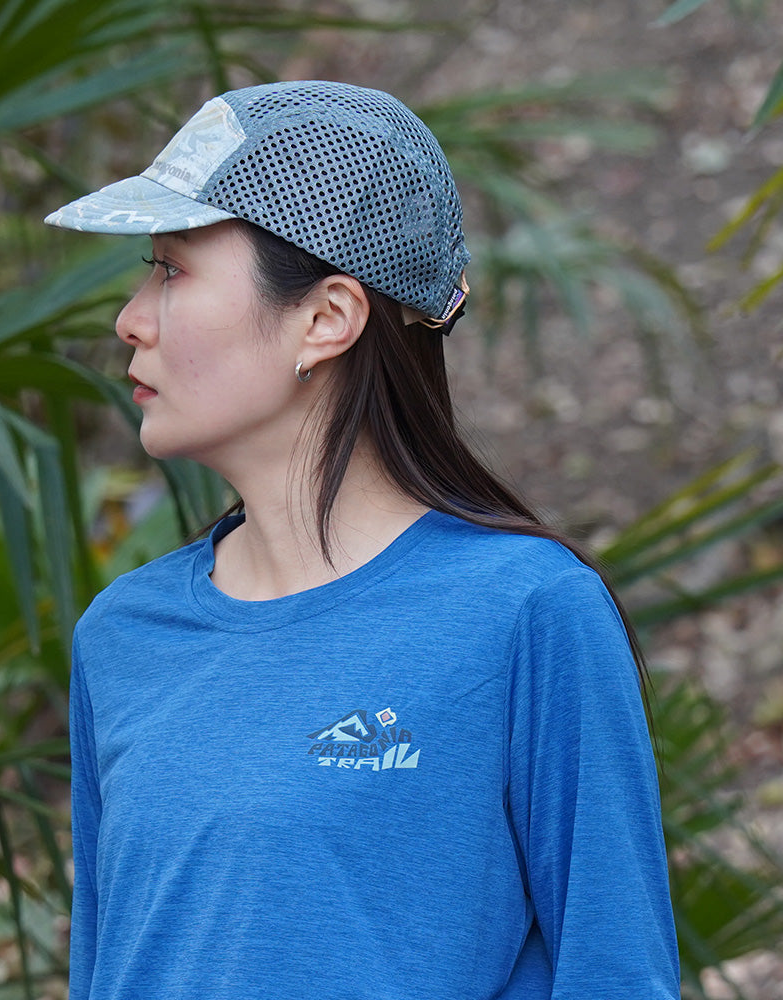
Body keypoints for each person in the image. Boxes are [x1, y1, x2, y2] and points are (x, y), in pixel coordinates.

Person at [46, 80, 680, 999]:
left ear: (326, 319)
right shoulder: (123, 636)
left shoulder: (525, 613)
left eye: (173, 270)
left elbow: (614, 974)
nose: (131, 318)